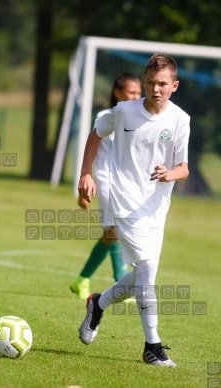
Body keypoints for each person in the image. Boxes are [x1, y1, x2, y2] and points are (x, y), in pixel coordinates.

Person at [77, 54, 190, 367]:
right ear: (144, 83)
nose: (156, 89)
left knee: (144, 273)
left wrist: (170, 173)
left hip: (157, 207)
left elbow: (184, 167)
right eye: (151, 83)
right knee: (147, 273)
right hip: (125, 202)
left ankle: (98, 303)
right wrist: (86, 173)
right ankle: (152, 345)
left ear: (174, 86)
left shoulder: (180, 120)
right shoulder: (124, 111)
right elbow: (95, 134)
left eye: (163, 84)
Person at [70, 73, 142, 300]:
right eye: (131, 92)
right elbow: (93, 145)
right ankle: (121, 282)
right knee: (114, 232)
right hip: (105, 180)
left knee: (111, 233)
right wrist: (84, 181)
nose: (136, 96)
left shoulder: (141, 118)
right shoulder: (106, 116)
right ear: (117, 93)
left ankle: (81, 279)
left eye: (138, 92)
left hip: (127, 183)